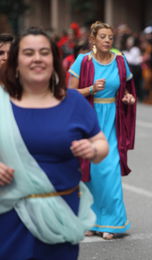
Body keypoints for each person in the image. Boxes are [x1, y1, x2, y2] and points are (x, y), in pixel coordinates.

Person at [0, 27, 108, 259]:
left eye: (44, 52)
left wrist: (93, 149)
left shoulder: (74, 102)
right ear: (16, 61)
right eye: (28, 53)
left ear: (54, 59)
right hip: (9, 217)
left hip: (61, 215)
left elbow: (101, 144)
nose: (37, 58)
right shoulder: (1, 102)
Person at [68, 21, 136, 240]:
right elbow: (69, 95)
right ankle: (92, 220)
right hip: (89, 119)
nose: (108, 40)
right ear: (93, 40)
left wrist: (128, 98)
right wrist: (90, 89)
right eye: (103, 37)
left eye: (110, 37)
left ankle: (113, 222)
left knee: (110, 170)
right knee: (91, 172)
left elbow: (127, 90)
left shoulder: (120, 61)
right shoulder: (82, 61)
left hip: (113, 121)